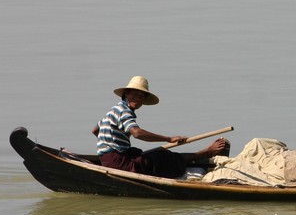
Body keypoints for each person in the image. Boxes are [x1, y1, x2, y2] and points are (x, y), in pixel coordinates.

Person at [92, 76, 226, 178]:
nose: (138, 98)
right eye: (134, 94)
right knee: (162, 156)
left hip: (110, 160)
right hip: (118, 163)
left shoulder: (114, 110)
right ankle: (205, 153)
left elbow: (95, 130)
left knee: (149, 155)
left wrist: (110, 144)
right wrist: (168, 139)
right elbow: (137, 133)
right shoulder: (124, 111)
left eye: (141, 96)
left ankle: (197, 156)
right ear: (126, 94)